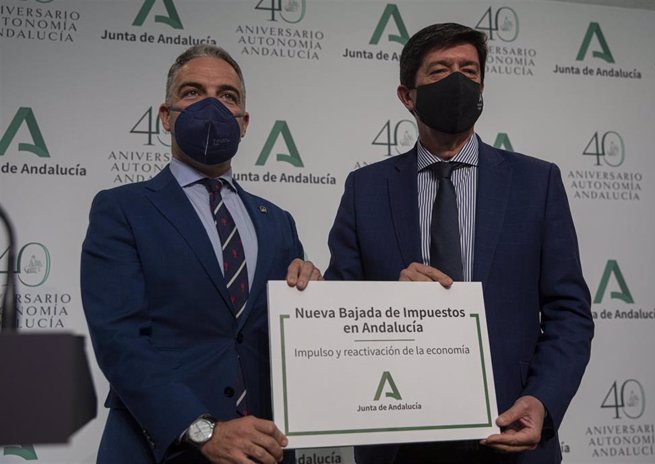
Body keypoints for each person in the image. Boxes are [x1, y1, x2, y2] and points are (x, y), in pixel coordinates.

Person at [325, 23, 593, 464]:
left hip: (510, 434)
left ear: (483, 87)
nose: (457, 81)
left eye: (468, 71)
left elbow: (569, 312)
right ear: (406, 96)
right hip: (398, 441)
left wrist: (542, 402)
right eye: (439, 71)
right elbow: (341, 311)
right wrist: (391, 298)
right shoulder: (365, 189)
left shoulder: (536, 183)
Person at [81, 44, 320, 464]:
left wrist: (312, 299)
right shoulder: (122, 209)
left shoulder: (277, 221)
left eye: (227, 96)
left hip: (265, 449)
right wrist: (201, 429)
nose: (211, 105)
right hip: (159, 448)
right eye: (193, 92)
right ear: (166, 115)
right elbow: (120, 342)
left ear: (244, 123)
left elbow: (288, 344)